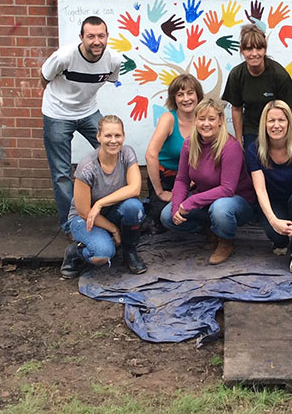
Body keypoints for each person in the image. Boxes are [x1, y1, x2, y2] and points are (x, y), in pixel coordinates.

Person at [41, 16, 121, 233]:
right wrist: (61, 101)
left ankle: (107, 212)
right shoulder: (64, 56)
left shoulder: (114, 60)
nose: (97, 41)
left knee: (113, 153)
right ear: (81, 38)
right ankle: (71, 225)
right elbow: (44, 78)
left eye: (101, 36)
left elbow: (108, 80)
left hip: (88, 111)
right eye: (91, 36)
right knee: (62, 172)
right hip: (57, 113)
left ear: (107, 37)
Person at [160, 98, 256, 264]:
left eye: (211, 119)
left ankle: (226, 241)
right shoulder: (189, 144)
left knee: (220, 208)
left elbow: (227, 189)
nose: (206, 124)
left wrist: (190, 202)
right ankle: (209, 230)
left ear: (220, 121)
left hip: (237, 201)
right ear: (195, 120)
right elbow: (182, 179)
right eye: (202, 119)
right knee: (167, 216)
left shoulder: (229, 146)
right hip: (205, 199)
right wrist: (177, 206)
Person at [60, 115, 146, 279]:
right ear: (98, 136)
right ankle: (75, 253)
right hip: (84, 219)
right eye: (108, 135)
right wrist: (114, 230)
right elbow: (84, 211)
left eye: (117, 136)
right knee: (103, 255)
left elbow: (135, 188)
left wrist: (100, 203)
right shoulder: (87, 167)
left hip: (110, 211)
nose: (113, 141)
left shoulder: (126, 153)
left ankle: (130, 251)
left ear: (123, 136)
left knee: (134, 207)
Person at [246, 100, 292, 274]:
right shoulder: (254, 150)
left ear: (290, 123)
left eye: (282, 120)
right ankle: (282, 239)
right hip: (273, 203)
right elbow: (260, 190)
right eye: (271, 120)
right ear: (264, 124)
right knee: (277, 237)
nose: (276, 125)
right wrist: (273, 220)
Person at [222, 24, 292, 149]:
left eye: (259, 48)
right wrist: (238, 140)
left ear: (265, 50)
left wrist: (289, 135)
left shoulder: (278, 73)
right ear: (242, 51)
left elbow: (289, 108)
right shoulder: (237, 75)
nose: (254, 54)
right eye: (249, 49)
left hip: (277, 126)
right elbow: (236, 109)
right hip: (252, 128)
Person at [145, 74, 204, 233]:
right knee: (164, 218)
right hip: (167, 178)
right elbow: (151, 154)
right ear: (174, 98)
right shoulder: (168, 119)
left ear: (197, 94)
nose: (186, 98)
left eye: (190, 93)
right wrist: (160, 192)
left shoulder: (204, 119)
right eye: (180, 94)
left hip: (193, 178)